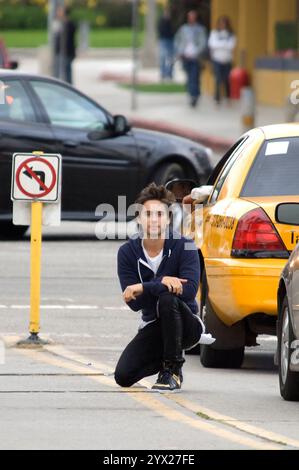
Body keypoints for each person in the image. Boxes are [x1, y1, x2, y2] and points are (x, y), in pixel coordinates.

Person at [115, 183, 215, 392]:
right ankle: (165, 358)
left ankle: (172, 370)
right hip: (154, 325)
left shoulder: (185, 246)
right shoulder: (127, 253)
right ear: (138, 218)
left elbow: (188, 292)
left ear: (168, 218)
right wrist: (161, 284)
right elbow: (135, 303)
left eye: (159, 214)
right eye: (148, 214)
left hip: (187, 325)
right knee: (123, 376)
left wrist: (143, 287)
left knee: (169, 300)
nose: (153, 219)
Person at [175, 10, 207, 107]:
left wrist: (196, 52)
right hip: (185, 56)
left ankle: (194, 96)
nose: (191, 18)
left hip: (195, 57)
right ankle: (192, 94)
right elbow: (177, 40)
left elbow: (203, 42)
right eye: (190, 16)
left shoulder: (200, 29)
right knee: (189, 77)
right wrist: (180, 51)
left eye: (193, 16)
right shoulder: (183, 29)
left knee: (194, 76)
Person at [208, 16, 236, 104]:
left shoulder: (231, 34)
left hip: (227, 60)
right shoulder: (214, 33)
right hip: (217, 59)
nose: (222, 25)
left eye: (224, 23)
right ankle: (217, 98)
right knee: (218, 79)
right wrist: (224, 44)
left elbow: (231, 46)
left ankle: (228, 97)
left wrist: (220, 45)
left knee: (227, 79)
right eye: (221, 23)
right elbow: (212, 44)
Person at [54, 6, 77, 84]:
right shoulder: (59, 24)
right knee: (58, 71)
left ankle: (68, 87)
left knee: (67, 73)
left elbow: (68, 40)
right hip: (59, 52)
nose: (58, 13)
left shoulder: (69, 24)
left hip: (67, 53)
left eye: (60, 11)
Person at [157, 7, 175, 81]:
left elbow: (173, 30)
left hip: (170, 40)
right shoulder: (161, 21)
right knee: (163, 57)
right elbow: (161, 31)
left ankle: (170, 74)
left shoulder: (171, 21)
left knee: (171, 58)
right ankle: (163, 74)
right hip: (163, 41)